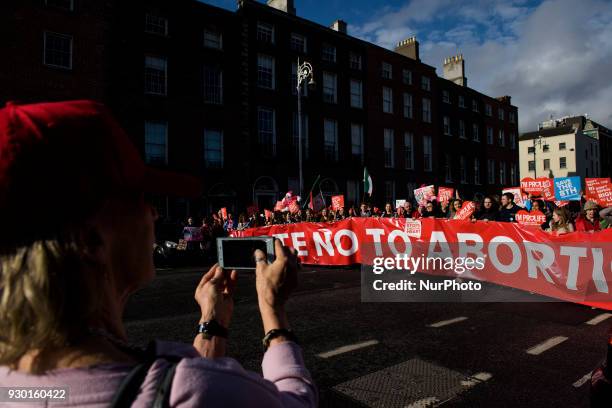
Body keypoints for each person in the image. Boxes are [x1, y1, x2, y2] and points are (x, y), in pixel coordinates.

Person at [0, 100, 316, 407]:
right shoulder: (199, 393)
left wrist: (212, 323)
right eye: (140, 197)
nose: (153, 213)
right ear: (91, 240)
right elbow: (296, 401)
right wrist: (273, 313)